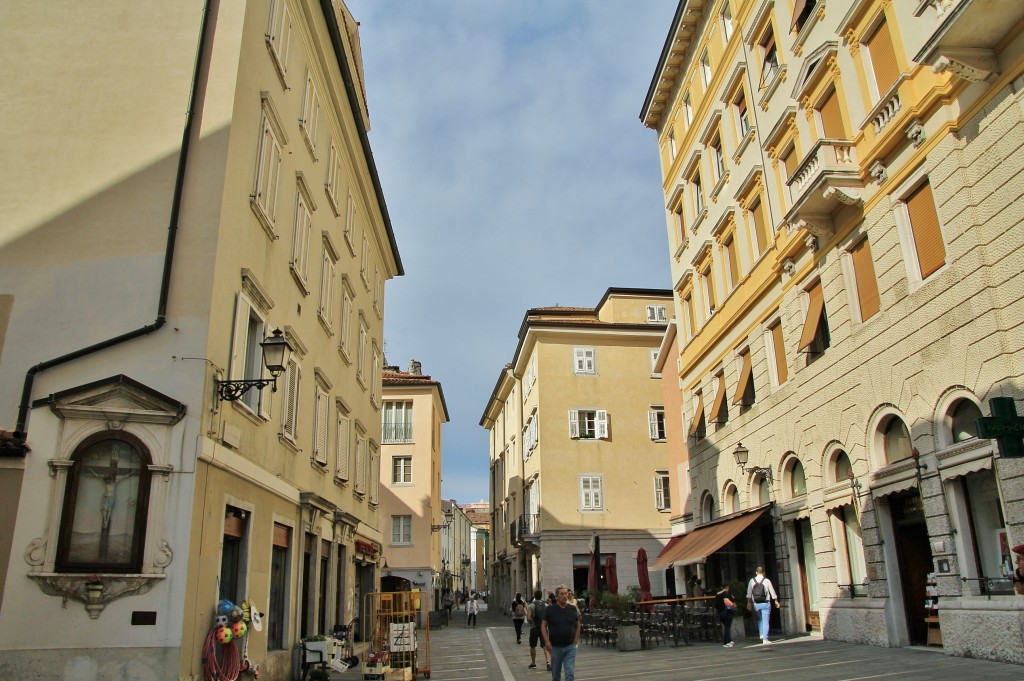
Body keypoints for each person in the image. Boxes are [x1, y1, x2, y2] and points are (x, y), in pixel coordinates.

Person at [542, 585, 581, 681]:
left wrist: (575, 640)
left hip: (570, 646)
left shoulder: (572, 609)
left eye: (566, 593)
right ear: (556, 597)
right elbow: (543, 626)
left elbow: (578, 625)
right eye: (562, 594)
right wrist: (547, 641)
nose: (564, 596)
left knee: (570, 673)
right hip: (555, 647)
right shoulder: (550, 609)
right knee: (556, 675)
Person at [746, 566, 781, 644]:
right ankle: (765, 639)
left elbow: (749, 593)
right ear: (764, 572)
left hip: (756, 604)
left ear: (756, 572)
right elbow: (772, 591)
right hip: (765, 603)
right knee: (766, 621)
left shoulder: (752, 581)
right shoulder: (767, 581)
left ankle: (761, 634)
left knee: (760, 619)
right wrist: (776, 601)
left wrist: (749, 603)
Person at [527, 589, 552, 671]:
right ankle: (548, 662)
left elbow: (528, 618)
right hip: (544, 628)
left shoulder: (531, 606)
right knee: (545, 646)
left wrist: (531, 621)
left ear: (534, 596)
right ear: (541, 596)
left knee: (533, 646)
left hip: (534, 628)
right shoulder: (546, 605)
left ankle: (533, 663)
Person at [713, 583, 736, 647]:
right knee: (727, 627)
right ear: (727, 587)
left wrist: (715, 613)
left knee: (726, 627)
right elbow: (733, 601)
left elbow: (715, 605)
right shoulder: (728, 593)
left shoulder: (717, 594)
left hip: (720, 613)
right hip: (727, 612)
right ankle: (726, 642)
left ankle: (729, 640)